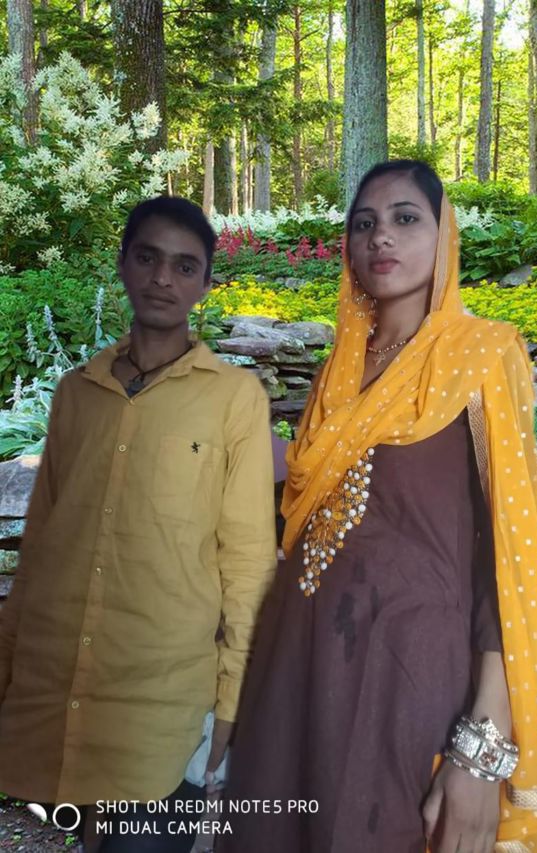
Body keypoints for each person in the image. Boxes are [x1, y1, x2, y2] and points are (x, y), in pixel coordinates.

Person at [219, 161, 537, 853]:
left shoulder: (482, 355)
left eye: (405, 218)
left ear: (444, 234)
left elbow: (507, 558)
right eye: (364, 224)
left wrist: (482, 748)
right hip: (293, 663)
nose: (380, 236)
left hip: (404, 676)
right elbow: (311, 504)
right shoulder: (337, 371)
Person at [0, 196, 277, 852]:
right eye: (148, 258)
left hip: (164, 704)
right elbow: (41, 548)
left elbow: (247, 560)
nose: (162, 278)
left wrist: (233, 699)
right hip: (58, 685)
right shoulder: (77, 393)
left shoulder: (233, 399)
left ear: (205, 284)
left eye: (185, 266)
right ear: (123, 264)